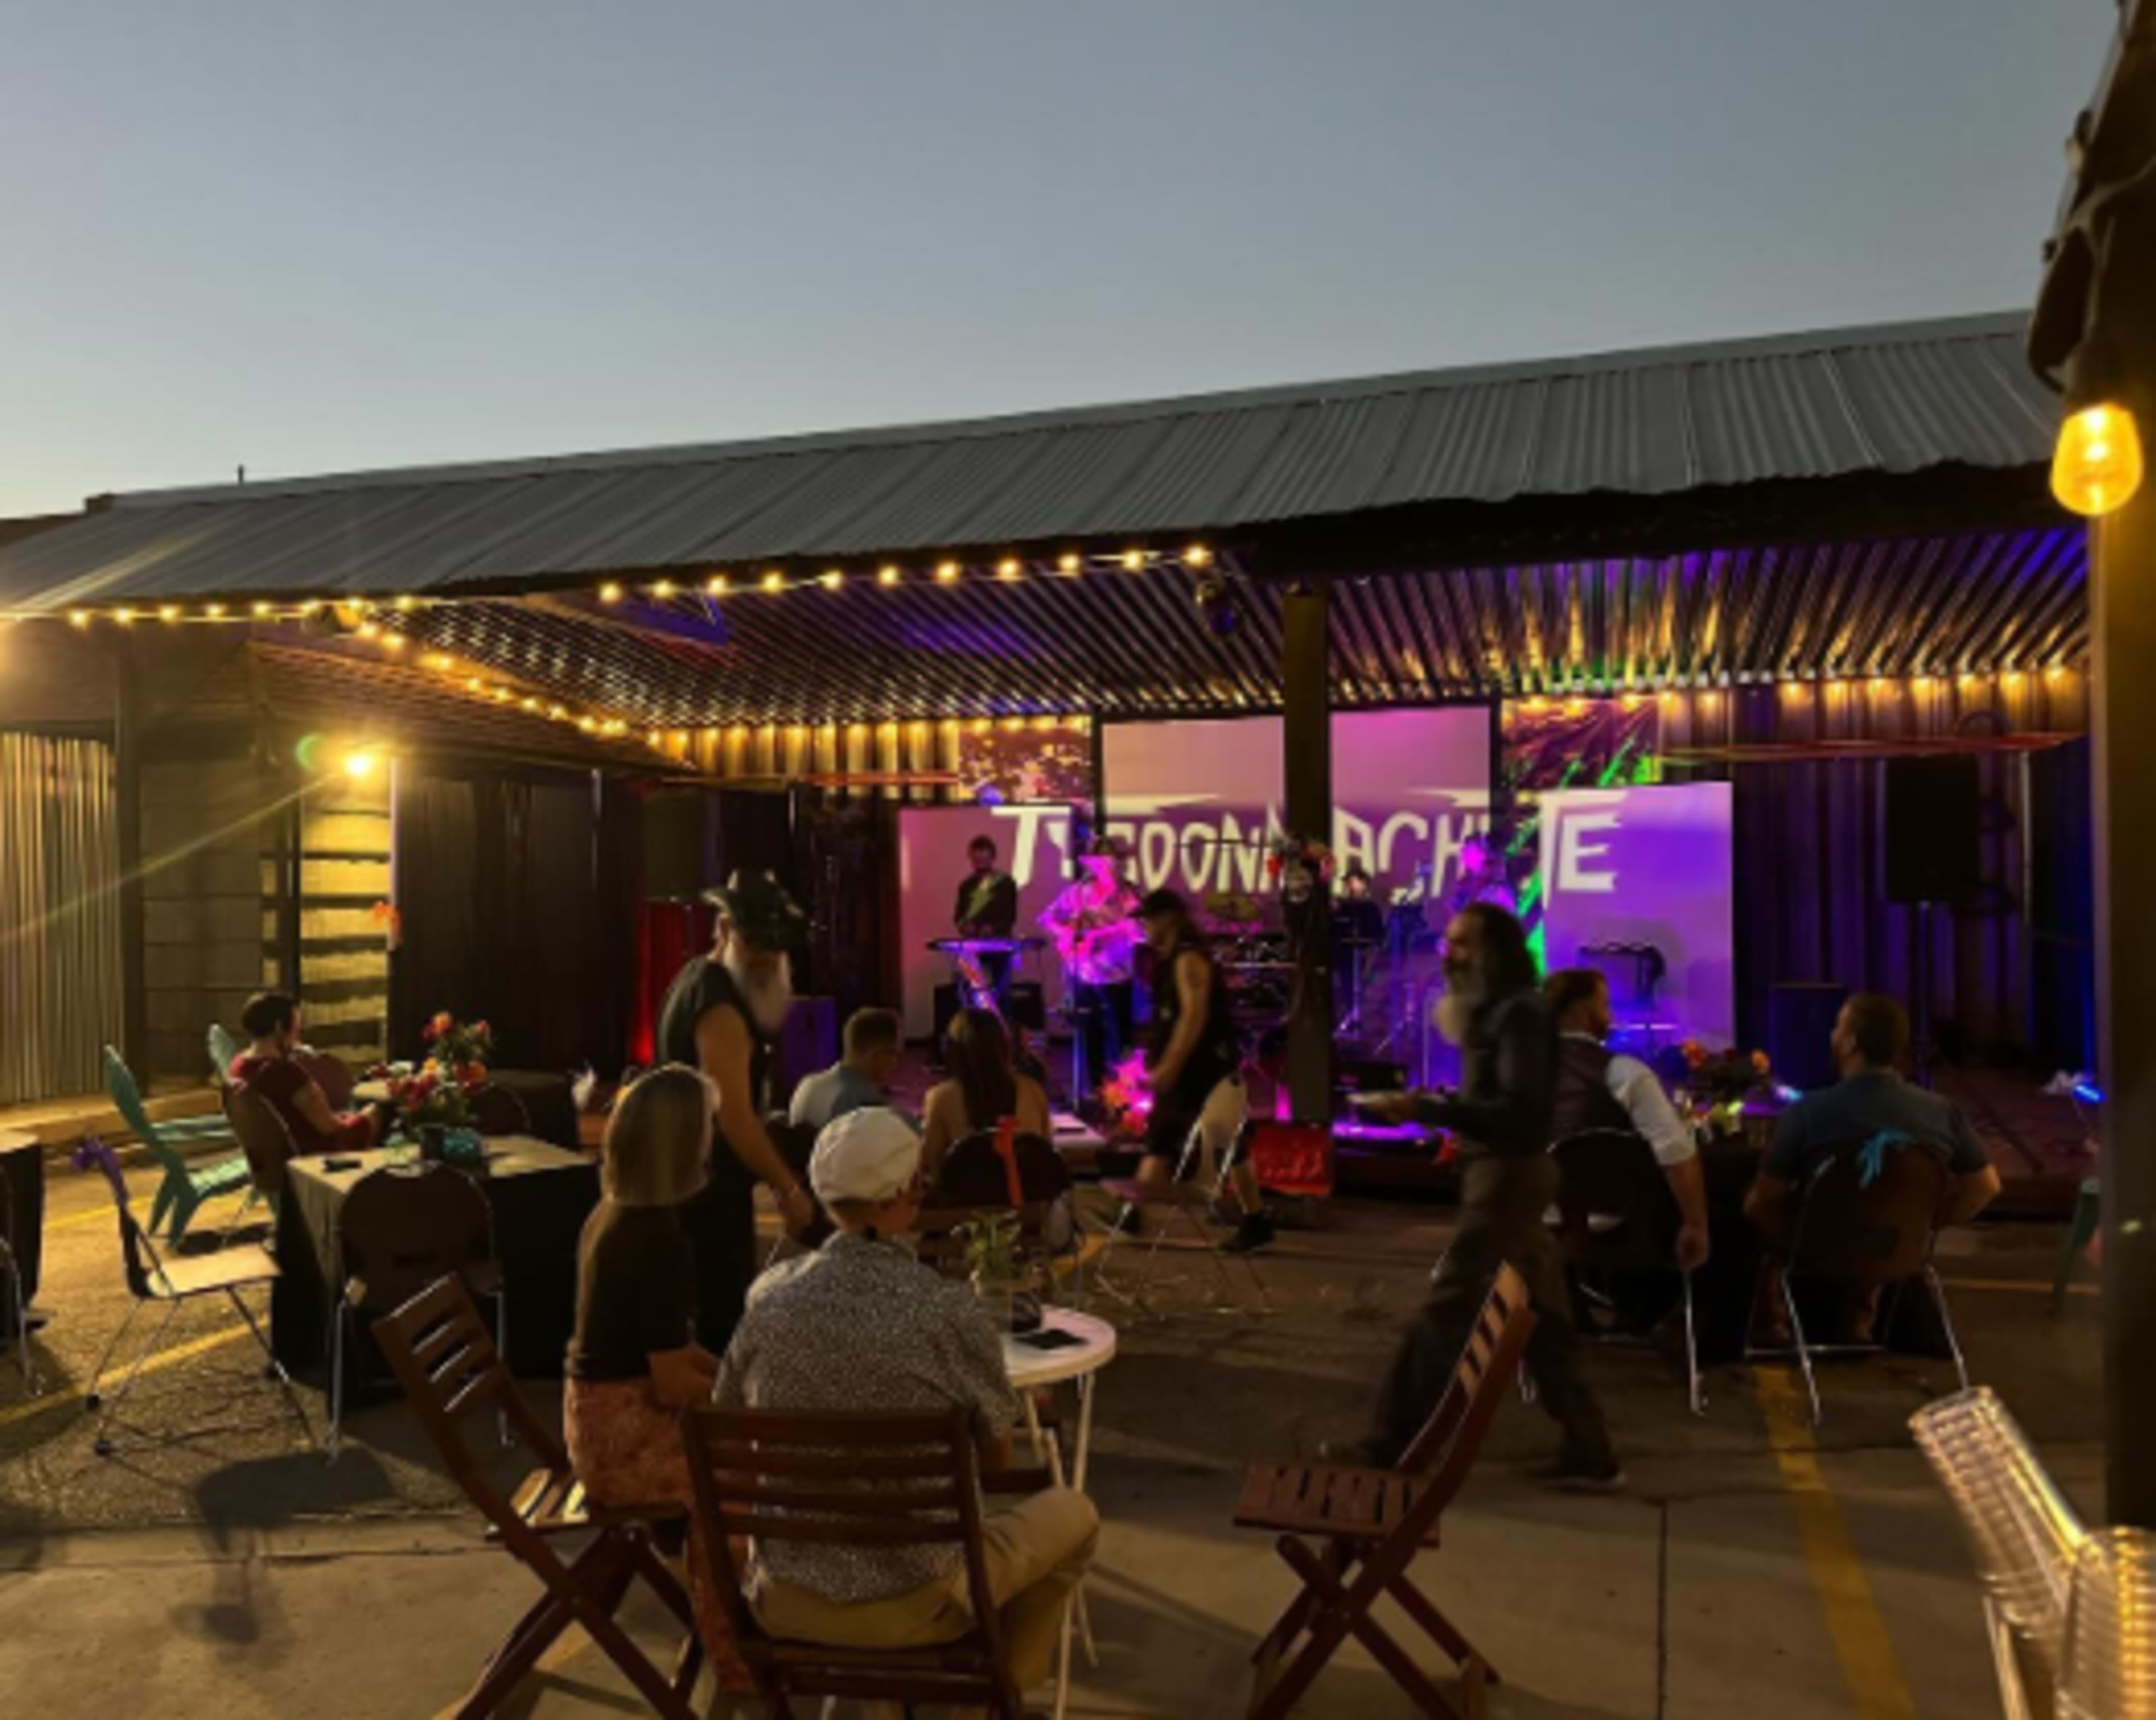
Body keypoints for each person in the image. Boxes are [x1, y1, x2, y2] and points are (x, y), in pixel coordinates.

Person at [715, 1108, 1098, 1700]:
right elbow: (996, 1460)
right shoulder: (949, 1311)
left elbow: (730, 1420)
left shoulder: (767, 1299)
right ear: (911, 1189)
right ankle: (998, 1700)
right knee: (1074, 1515)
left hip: (786, 1599)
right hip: (919, 1603)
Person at [1353, 904, 1621, 1488]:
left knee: (1446, 1309)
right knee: (1546, 1322)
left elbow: (1518, 1115)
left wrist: (1427, 1109)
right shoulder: (1506, 1011)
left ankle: (1384, 1444)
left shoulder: (1518, 1014)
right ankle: (1591, 1451)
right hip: (1508, 1176)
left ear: (1493, 951)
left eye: (1462, 944)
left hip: (1506, 1180)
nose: (1448, 955)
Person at [562, 1064, 749, 1691]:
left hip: (597, 1421)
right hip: (623, 1442)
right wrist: (743, 1396)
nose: (712, 1139)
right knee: (739, 1481)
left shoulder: (614, 1212)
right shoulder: (654, 1239)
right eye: (706, 1127)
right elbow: (671, 1385)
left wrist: (735, 1378)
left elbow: (676, 1349)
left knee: (748, 1442)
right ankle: (739, 1650)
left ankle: (741, 1629)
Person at [656, 870, 820, 1354]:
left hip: (690, 1178)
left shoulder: (695, 979)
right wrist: (788, 1188)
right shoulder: (721, 1008)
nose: (765, 958)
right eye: (755, 945)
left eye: (774, 948)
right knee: (722, 1322)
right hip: (706, 1190)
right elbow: (733, 1116)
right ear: (724, 929)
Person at [1746, 993, 2001, 1241]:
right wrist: (1925, 1227)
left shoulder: (1805, 1113)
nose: (1832, 1034)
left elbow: (1766, 1197)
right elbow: (1986, 1187)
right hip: (1904, 1259)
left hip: (1822, 1259)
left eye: (1838, 1027)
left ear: (1850, 1043)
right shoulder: (1943, 1112)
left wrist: (1794, 1249)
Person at [1122, 888, 1272, 1254]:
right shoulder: (1168, 961)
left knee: (1202, 1139)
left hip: (1202, 1067)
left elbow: (1193, 1017)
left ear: (1168, 919)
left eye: (1149, 919)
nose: (1144, 927)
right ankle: (1133, 1214)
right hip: (1190, 1068)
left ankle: (1132, 1215)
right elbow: (1169, 1019)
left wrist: (1169, 1067)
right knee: (1194, 1139)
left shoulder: (1189, 959)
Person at [1543, 968, 1711, 1274]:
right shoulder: (1624, 1073)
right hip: (1609, 1224)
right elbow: (1676, 1152)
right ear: (1582, 1012)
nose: (1610, 1016)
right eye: (1605, 1005)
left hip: (1526, 1223)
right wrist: (1696, 1225)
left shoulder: (1512, 1075)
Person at [1038, 836, 1141, 1099]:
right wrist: (1068, 933)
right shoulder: (1078, 892)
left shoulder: (1128, 894)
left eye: (1110, 862)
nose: (1105, 867)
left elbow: (1139, 931)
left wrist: (1105, 933)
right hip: (1085, 971)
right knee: (1089, 1031)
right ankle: (1094, 1089)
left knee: (1120, 1033)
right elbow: (1047, 918)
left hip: (1117, 972)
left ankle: (1124, 1091)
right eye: (1099, 863)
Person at [229, 991, 389, 1155]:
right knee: (382, 1109)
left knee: (355, 1110)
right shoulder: (284, 1072)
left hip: (275, 1152)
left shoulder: (239, 1064)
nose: (298, 1038)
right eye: (296, 1029)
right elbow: (329, 1127)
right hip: (313, 1152)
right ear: (279, 1027)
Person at [920, 1007, 1052, 1182]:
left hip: (964, 1198)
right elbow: (1046, 1154)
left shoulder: (941, 1098)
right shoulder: (1033, 1091)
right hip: (1028, 1196)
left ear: (953, 1052)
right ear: (1004, 1047)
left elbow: (932, 1165)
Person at [788, 1007, 912, 1133]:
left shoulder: (807, 1084)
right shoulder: (865, 1105)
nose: (897, 1063)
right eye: (895, 1054)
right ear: (877, 1055)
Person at [953, 834, 1021, 1000]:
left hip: (999, 945)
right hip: (974, 946)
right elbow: (959, 916)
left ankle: (1001, 1016)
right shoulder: (966, 886)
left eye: (984, 858)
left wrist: (994, 928)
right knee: (972, 992)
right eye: (976, 859)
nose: (980, 863)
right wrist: (965, 926)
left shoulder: (1005, 883)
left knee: (1001, 993)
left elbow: (1010, 916)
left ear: (992, 857)